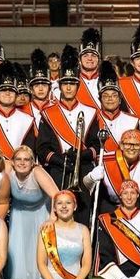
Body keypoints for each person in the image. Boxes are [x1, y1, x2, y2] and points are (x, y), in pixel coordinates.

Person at [36, 45, 102, 206]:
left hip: (84, 170)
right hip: (58, 170)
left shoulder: (91, 111)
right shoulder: (48, 113)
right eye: (65, 83)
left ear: (78, 86)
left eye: (72, 83)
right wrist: (60, 160)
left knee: (83, 214)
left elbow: (96, 145)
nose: (68, 87)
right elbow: (42, 149)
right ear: (60, 86)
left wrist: (83, 155)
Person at [22, 190, 93, 279]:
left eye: (68, 203)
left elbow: (87, 263)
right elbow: (41, 263)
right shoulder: (46, 230)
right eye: (59, 203)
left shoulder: (83, 230)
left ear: (75, 206)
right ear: (54, 208)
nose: (64, 206)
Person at [6, 145, 59, 279]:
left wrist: (52, 218)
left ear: (32, 162)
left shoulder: (38, 172)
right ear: (12, 162)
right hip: (19, 212)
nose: (22, 163)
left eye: (26, 159)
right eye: (18, 159)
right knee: (15, 247)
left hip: (41, 212)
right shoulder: (8, 169)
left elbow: (56, 194)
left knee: (38, 248)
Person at [84, 129, 140, 216]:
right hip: (107, 210)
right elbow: (88, 186)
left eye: (136, 145)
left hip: (135, 212)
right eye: (127, 144)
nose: (131, 148)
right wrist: (91, 178)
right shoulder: (103, 160)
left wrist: (130, 215)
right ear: (121, 145)